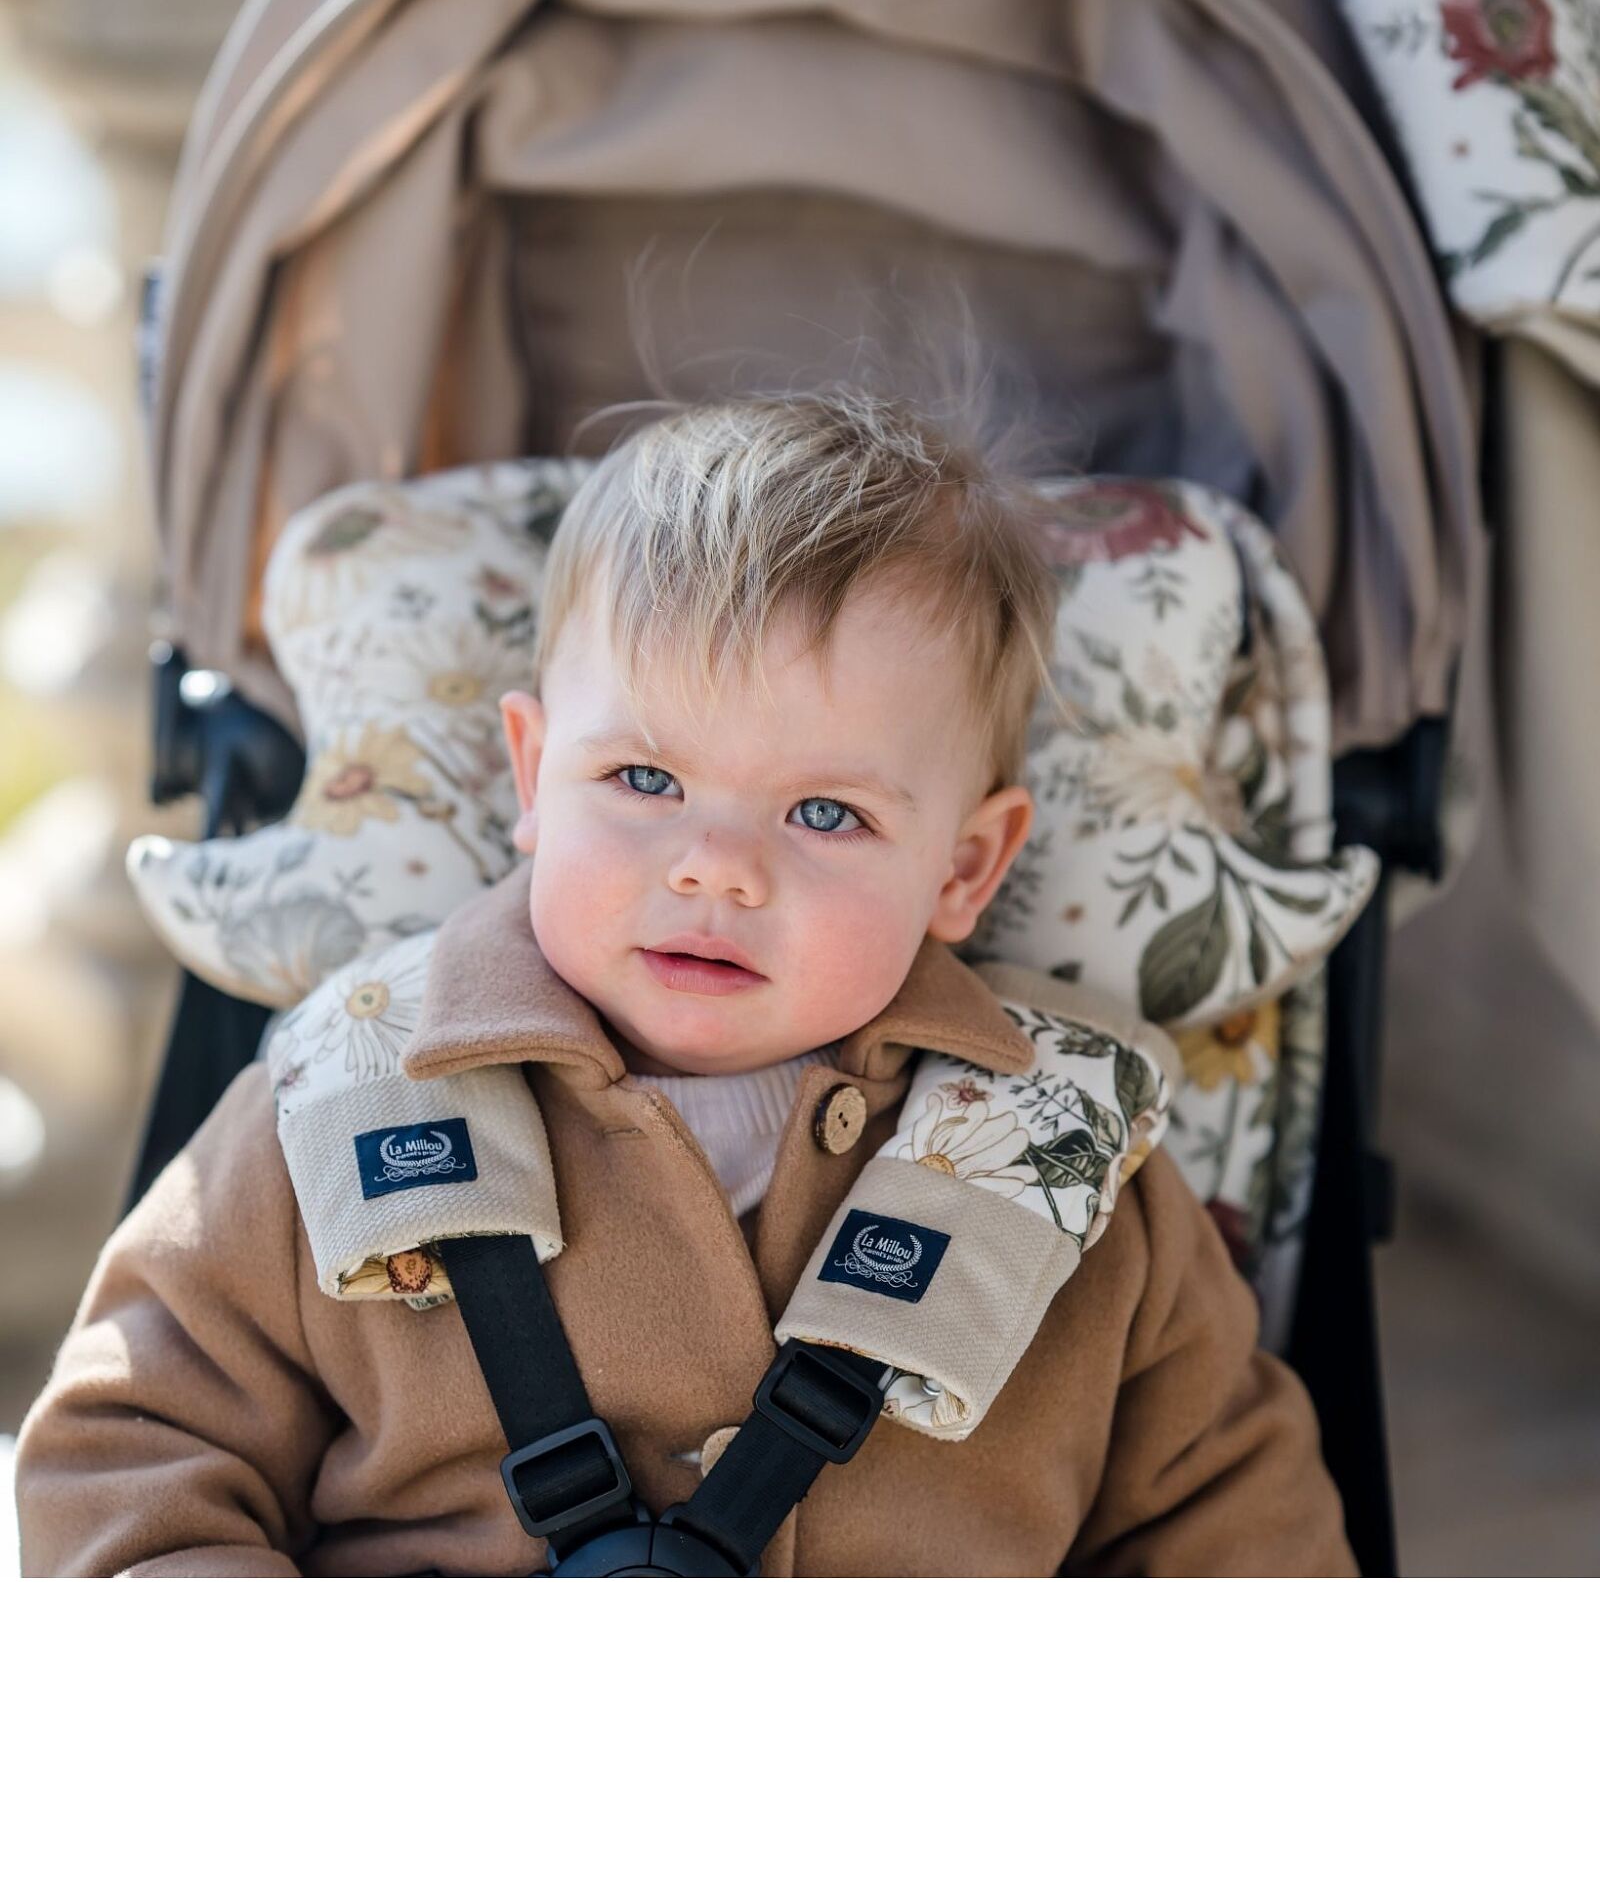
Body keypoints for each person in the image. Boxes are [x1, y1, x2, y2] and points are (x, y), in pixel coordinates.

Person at [14, 393, 1356, 1575]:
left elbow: (1236, 1533)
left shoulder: (1063, 1166)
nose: (717, 869)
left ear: (965, 867)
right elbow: (128, 1457)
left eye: (825, 814)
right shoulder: (348, 1095)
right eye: (645, 778)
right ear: (534, 777)